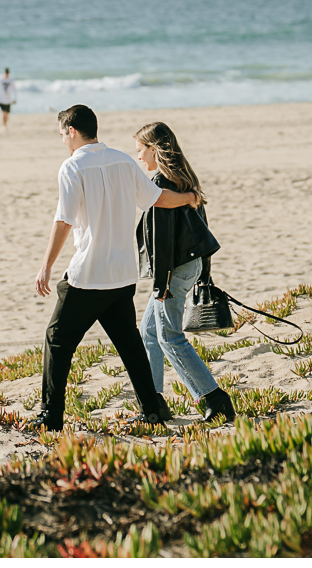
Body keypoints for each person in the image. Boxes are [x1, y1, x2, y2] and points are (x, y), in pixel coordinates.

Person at [29, 104, 201, 433]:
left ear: (73, 132)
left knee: (57, 340)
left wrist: (45, 267)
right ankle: (152, 409)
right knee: (129, 344)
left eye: (63, 133)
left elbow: (63, 220)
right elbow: (158, 198)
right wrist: (189, 198)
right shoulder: (123, 160)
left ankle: (50, 417)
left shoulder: (71, 167)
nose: (62, 139)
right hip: (123, 275)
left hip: (89, 274)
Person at [134, 121, 235, 423]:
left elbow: (163, 243)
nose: (138, 156)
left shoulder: (162, 185)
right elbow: (201, 228)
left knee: (169, 336)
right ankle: (153, 402)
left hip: (174, 271)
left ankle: (214, 398)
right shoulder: (183, 178)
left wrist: (160, 284)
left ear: (153, 149)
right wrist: (204, 271)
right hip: (188, 266)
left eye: (140, 150)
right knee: (149, 332)